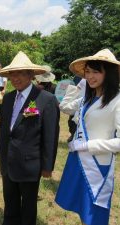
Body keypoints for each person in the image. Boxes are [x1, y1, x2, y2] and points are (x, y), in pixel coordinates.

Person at [55, 49, 120, 225]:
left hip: (97, 167)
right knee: (83, 211)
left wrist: (89, 145)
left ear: (109, 73)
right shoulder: (87, 98)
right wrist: (76, 87)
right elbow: (65, 106)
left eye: (96, 71)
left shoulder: (117, 101)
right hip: (79, 160)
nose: (90, 77)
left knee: (94, 216)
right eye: (88, 72)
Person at [0, 51, 60, 225]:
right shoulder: (8, 98)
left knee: (28, 209)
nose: (15, 78)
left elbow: (50, 135)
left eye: (21, 73)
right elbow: (4, 128)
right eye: (12, 74)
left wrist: (47, 166)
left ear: (31, 74)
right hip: (8, 162)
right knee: (10, 205)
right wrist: (0, 152)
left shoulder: (45, 100)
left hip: (29, 165)